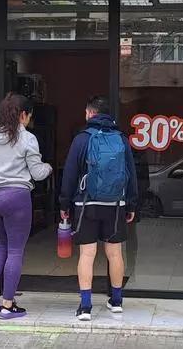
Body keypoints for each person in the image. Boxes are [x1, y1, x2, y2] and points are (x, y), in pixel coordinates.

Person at [59, 95, 138, 322]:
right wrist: (131, 203)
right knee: (115, 253)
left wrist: (64, 203)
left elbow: (70, 174)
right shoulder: (121, 139)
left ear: (90, 113)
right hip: (115, 204)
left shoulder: (82, 139)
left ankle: (85, 306)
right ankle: (117, 301)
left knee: (87, 254)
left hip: (87, 203)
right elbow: (131, 174)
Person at [0, 93, 52, 320]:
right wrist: (48, 167)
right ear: (23, 115)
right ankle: (7, 305)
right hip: (15, 197)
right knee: (16, 250)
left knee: (2, 243)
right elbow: (37, 173)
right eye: (29, 116)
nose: (29, 120)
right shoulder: (27, 138)